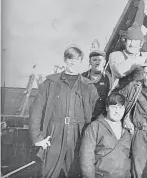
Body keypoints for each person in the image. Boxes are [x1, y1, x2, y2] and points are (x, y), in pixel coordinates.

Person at [29, 46, 99, 178]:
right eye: (70, 58)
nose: (73, 62)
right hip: (54, 134)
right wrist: (37, 138)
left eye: (77, 59)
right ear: (65, 59)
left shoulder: (88, 86)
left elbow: (96, 114)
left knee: (75, 172)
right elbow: (36, 111)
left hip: (78, 135)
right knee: (48, 173)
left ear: (82, 61)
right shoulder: (50, 83)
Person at [80, 93, 132, 178]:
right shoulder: (95, 127)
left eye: (121, 107)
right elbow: (86, 158)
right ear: (107, 108)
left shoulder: (127, 130)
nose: (117, 111)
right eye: (114, 107)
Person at [109, 24, 147, 89]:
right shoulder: (115, 55)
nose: (132, 44)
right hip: (119, 95)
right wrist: (139, 61)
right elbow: (119, 72)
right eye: (129, 40)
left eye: (135, 40)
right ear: (125, 41)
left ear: (141, 43)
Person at [82, 49, 112, 119]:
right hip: (84, 117)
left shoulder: (110, 77)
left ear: (104, 62)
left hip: (103, 118)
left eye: (100, 60)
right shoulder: (82, 78)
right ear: (90, 62)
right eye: (94, 60)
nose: (97, 63)